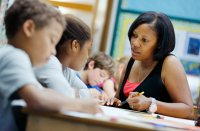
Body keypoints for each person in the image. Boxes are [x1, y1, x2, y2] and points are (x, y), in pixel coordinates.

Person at [0, 1, 99, 131]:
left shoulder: (16, 58)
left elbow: (44, 93)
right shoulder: (14, 56)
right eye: (52, 40)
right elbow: (37, 100)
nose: (53, 51)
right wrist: (80, 105)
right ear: (29, 28)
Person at [106, 11, 193, 119]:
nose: (135, 43)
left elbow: (188, 111)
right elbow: (119, 99)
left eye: (144, 40)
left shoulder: (170, 63)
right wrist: (114, 101)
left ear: (159, 44)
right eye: (134, 35)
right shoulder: (131, 61)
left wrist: (151, 103)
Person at [34, 14, 93, 98]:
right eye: (88, 49)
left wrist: (76, 94)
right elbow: (66, 96)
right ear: (75, 45)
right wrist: (76, 94)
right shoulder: (49, 62)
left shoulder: (67, 70)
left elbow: (85, 92)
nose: (88, 56)